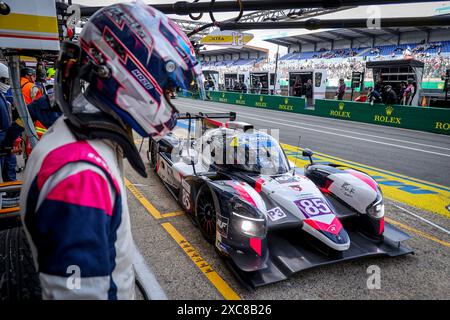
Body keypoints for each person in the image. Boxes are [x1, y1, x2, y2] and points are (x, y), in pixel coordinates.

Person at [20, 2, 204, 300]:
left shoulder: (84, 139)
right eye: (167, 89)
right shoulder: (80, 175)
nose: (169, 99)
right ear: (133, 74)